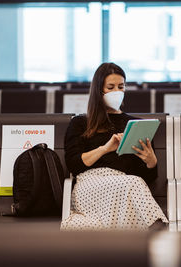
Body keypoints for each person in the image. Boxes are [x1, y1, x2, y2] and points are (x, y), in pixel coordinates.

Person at [61, 62, 168, 231]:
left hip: (125, 188)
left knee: (133, 184)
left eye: (121, 87)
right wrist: (105, 148)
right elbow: (73, 164)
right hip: (90, 186)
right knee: (132, 184)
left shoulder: (136, 125)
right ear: (99, 90)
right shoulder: (81, 123)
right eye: (110, 87)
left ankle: (118, 246)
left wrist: (151, 162)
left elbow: (147, 178)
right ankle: (158, 228)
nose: (116, 92)